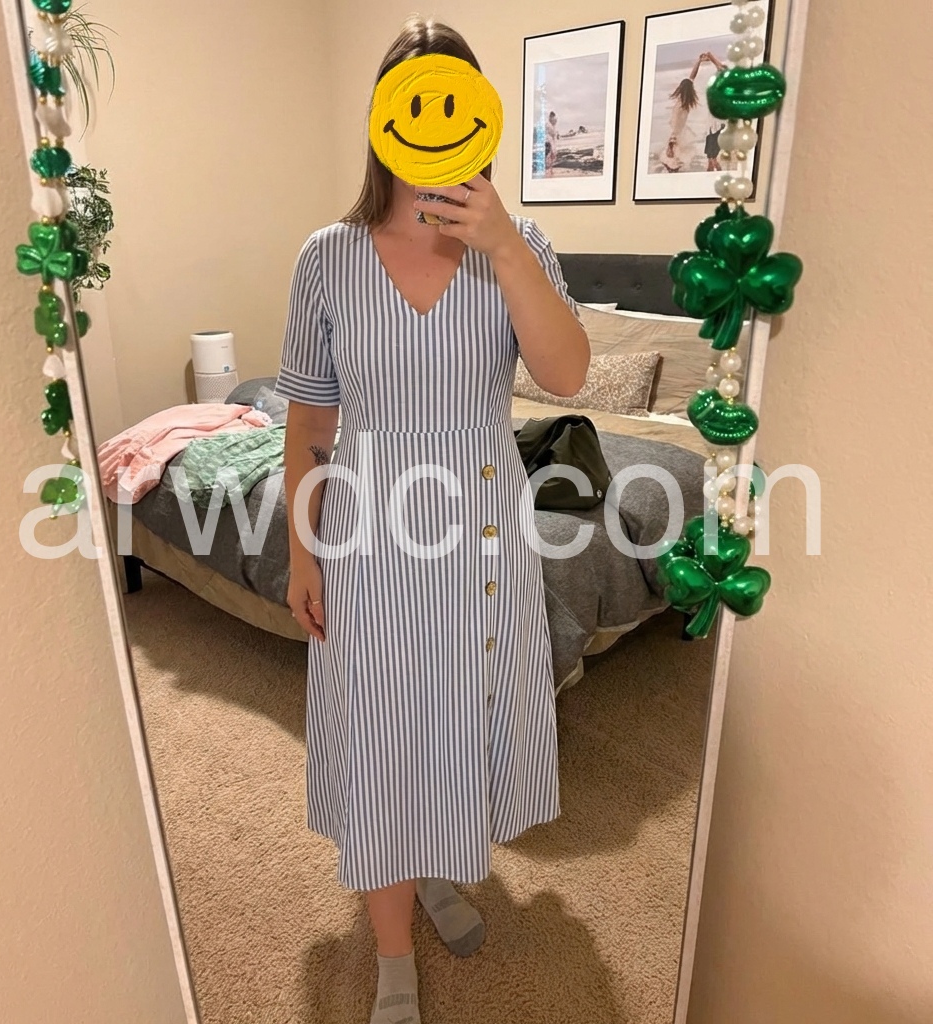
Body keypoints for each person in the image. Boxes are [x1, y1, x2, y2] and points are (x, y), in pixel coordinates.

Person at [272, 16, 589, 1024]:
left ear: (480, 117)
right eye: (413, 100)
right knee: (381, 732)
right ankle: (393, 954)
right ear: (383, 118)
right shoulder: (326, 258)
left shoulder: (518, 246)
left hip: (481, 532)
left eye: (455, 100)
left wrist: (504, 245)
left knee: (455, 717)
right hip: (368, 534)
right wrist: (302, 552)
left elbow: (567, 374)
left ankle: (438, 867)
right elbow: (308, 420)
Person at [660, 50, 726, 173]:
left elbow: (691, 77)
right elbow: (692, 77)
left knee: (675, 159)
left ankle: (672, 168)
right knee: (676, 158)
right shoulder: (685, 103)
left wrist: (699, 61)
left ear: (681, 89)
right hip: (679, 134)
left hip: (679, 134)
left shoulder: (681, 103)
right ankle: (673, 167)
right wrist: (700, 61)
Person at [544, 109, 559, 175]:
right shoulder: (548, 125)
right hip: (548, 141)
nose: (555, 121)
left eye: (555, 120)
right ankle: (548, 169)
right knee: (550, 154)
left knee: (551, 154)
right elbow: (552, 134)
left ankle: (550, 168)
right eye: (554, 120)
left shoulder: (552, 125)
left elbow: (554, 134)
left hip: (550, 141)